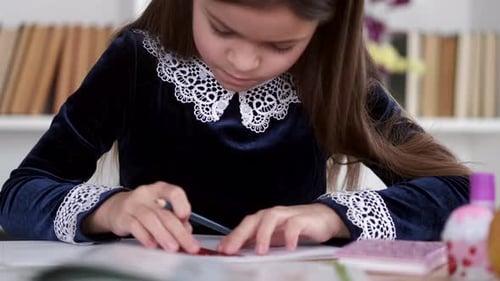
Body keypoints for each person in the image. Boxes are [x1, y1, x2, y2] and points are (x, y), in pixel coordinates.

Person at [0, 0, 469, 256]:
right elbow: (18, 195)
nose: (243, 62)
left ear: (322, 31)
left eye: (281, 44)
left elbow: (464, 193)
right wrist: (112, 209)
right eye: (222, 30)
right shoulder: (136, 60)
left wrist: (331, 218)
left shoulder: (334, 80)